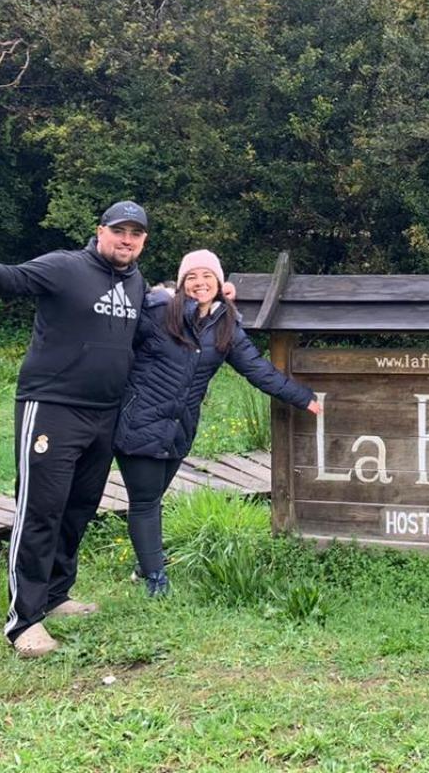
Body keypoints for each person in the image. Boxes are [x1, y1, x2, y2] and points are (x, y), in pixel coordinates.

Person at [0, 200, 151, 658]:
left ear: (143, 241)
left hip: (104, 412)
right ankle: (23, 621)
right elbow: (12, 280)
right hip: (51, 407)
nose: (126, 240)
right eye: (119, 231)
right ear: (100, 232)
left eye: (136, 234)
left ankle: (56, 595)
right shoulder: (64, 267)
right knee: (41, 509)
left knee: (77, 508)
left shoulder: (136, 282)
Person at [113, 249, 320, 596]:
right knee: (146, 501)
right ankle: (155, 580)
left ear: (220, 283)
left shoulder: (225, 327)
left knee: (151, 499)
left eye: (207, 276)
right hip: (140, 422)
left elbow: (258, 369)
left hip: (179, 430)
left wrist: (302, 398)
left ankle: (144, 563)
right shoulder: (159, 313)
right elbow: (121, 322)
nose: (199, 283)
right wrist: (158, 292)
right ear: (180, 285)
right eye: (191, 277)